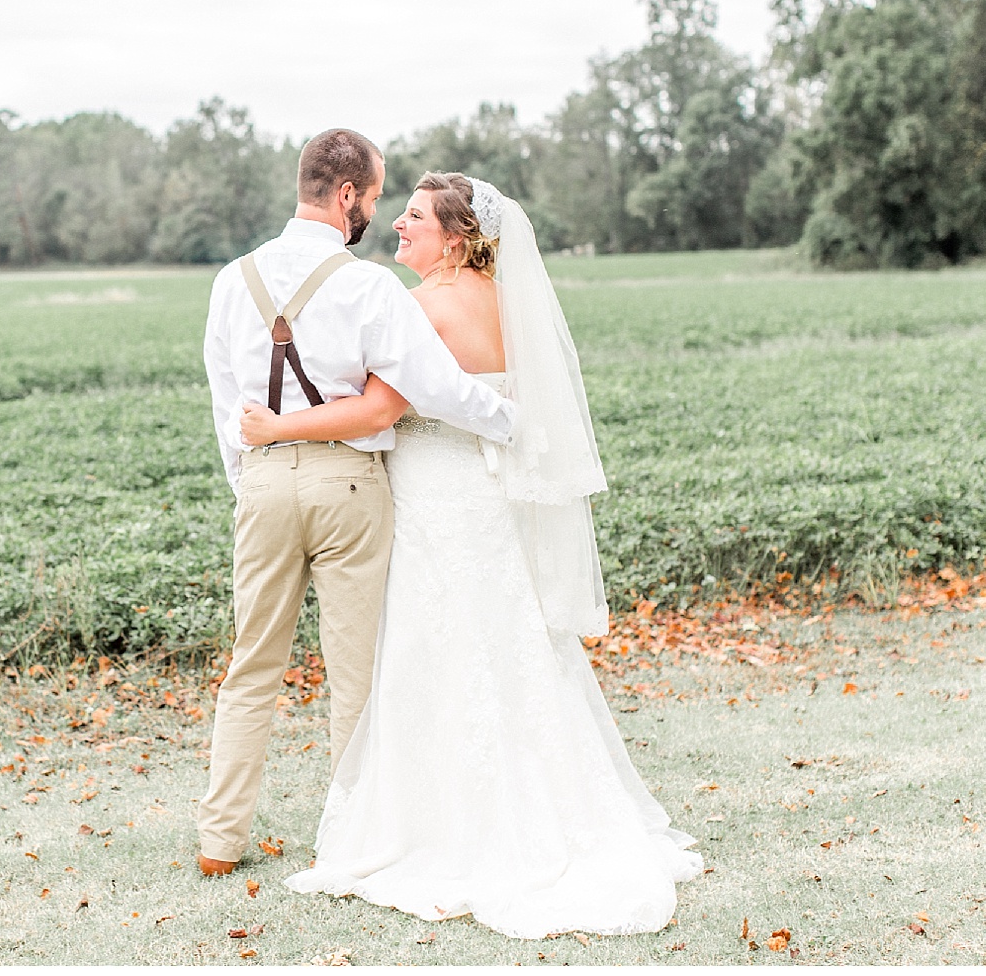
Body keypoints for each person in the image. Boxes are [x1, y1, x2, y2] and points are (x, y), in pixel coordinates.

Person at [241, 172, 702, 938]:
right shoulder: (506, 305)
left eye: (414, 218)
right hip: (488, 505)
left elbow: (380, 407)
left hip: (433, 499)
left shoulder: (421, 306)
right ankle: (553, 807)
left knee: (436, 646)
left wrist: (277, 427)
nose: (397, 226)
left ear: (455, 239)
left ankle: (447, 824)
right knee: (512, 643)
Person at [198, 131, 517, 878]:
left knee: (251, 666)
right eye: (375, 196)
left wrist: (253, 482)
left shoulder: (228, 280)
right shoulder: (369, 286)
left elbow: (225, 404)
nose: (377, 210)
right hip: (349, 486)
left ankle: (219, 841)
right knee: (355, 672)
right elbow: (434, 386)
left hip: (266, 478)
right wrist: (512, 421)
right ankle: (351, 839)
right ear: (347, 195)